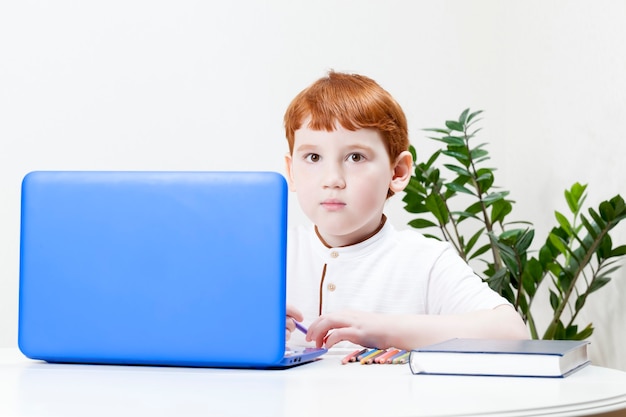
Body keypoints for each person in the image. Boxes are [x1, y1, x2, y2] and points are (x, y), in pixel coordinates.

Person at [282, 70, 528, 351]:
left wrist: (384, 329)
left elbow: (512, 333)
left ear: (397, 172)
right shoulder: (271, 254)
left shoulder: (425, 261)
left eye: (355, 157)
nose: (332, 179)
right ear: (291, 171)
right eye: (313, 157)